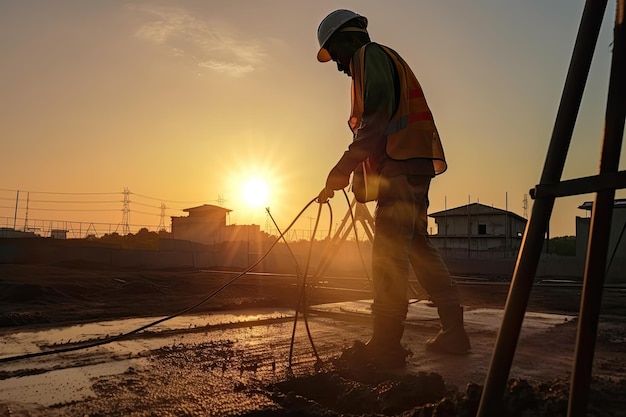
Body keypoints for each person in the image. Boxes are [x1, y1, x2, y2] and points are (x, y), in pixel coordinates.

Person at [315, 9, 470, 368]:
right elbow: (378, 127)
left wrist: (341, 169)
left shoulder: (369, 56)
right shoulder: (386, 59)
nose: (339, 66)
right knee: (417, 246)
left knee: (387, 254)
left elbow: (376, 117)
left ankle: (385, 344)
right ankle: (454, 329)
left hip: (401, 167)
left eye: (336, 54)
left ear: (349, 38)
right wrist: (360, 178)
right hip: (412, 165)